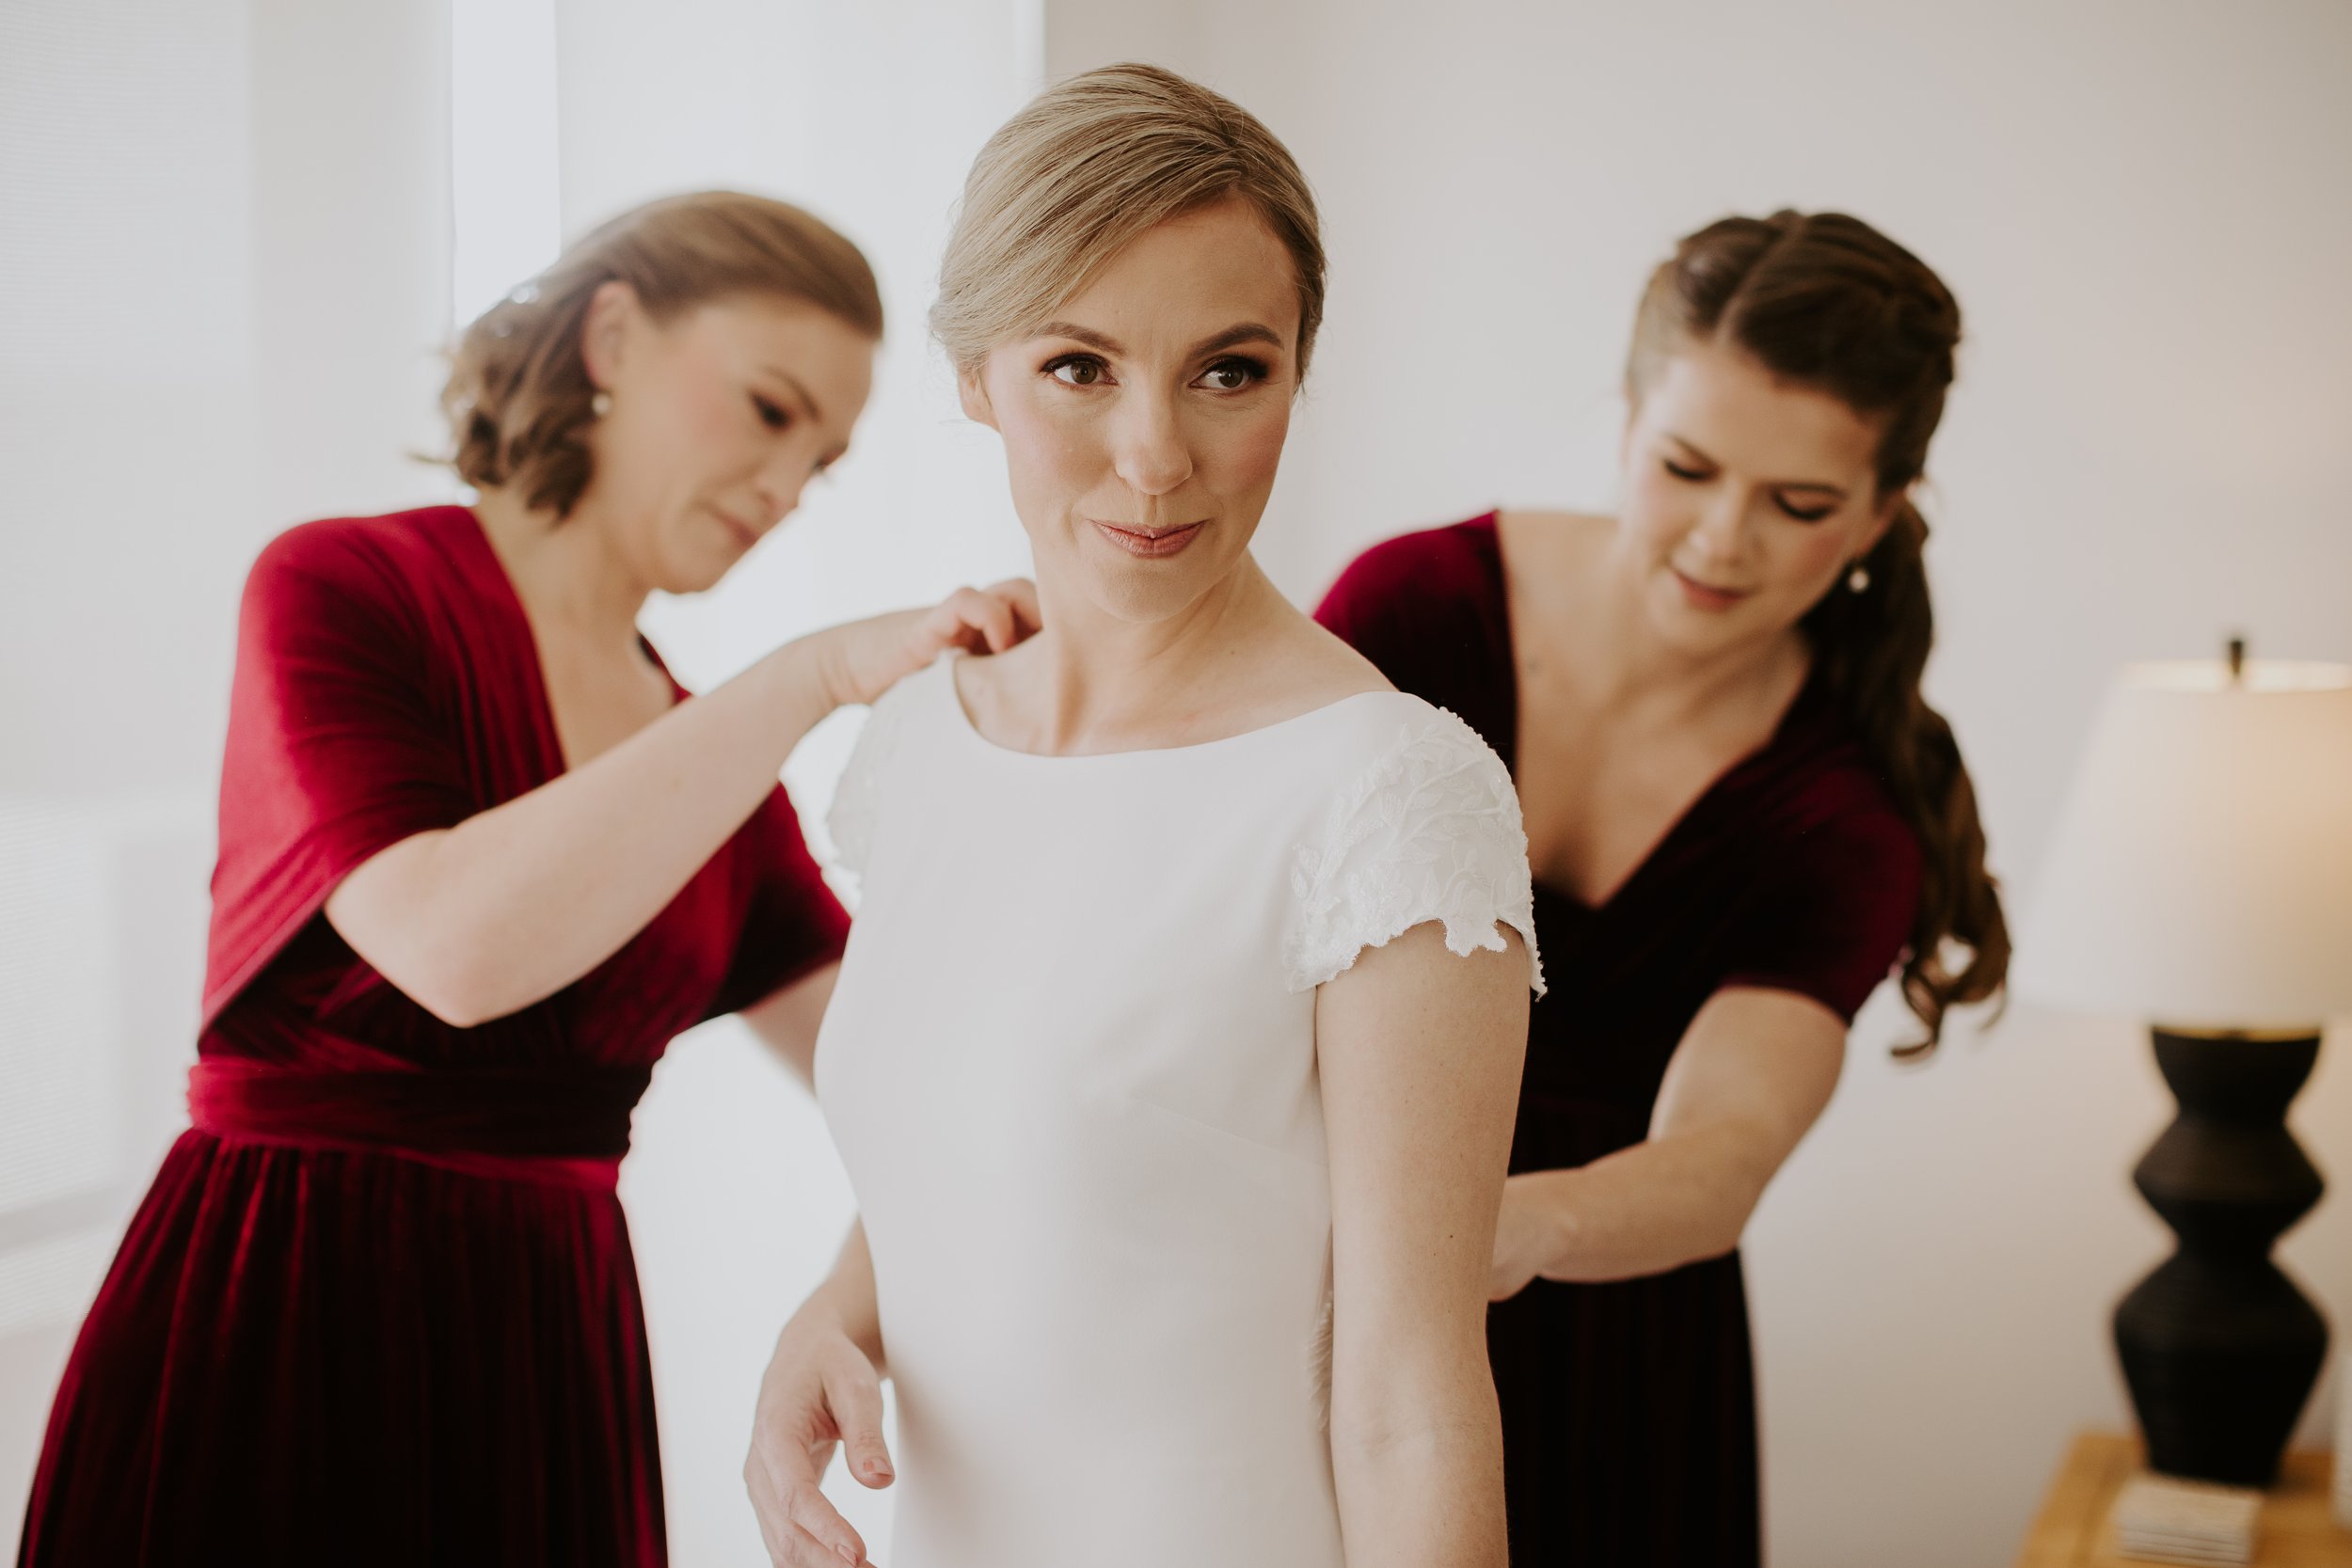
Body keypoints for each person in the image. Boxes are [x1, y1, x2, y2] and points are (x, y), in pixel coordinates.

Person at [17, 191, 1037, 1568]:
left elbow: (919, 1082)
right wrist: (815, 676)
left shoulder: (706, 769)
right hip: (283, 1313)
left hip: (544, 1357)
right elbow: (451, 949)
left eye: (826, 462)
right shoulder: (343, 585)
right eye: (768, 410)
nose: (788, 488)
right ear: (611, 337)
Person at [740, 65, 1541, 1568]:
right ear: (975, 373)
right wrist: (831, 1315)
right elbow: (1011, 1152)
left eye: (1230, 371)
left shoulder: (1389, 798)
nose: (1157, 458)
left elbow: (1412, 1404)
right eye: (1080, 368)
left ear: (1303, 369)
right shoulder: (923, 740)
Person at [1313, 209, 2011, 1565]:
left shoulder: (1845, 809)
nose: (1722, 539)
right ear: (1627, 415)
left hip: (1609, 1336)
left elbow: (1722, 1156)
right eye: (1685, 467)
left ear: (1880, 513)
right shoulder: (1416, 608)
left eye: (1799, 505)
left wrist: (1499, 1228)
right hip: (1325, 1271)